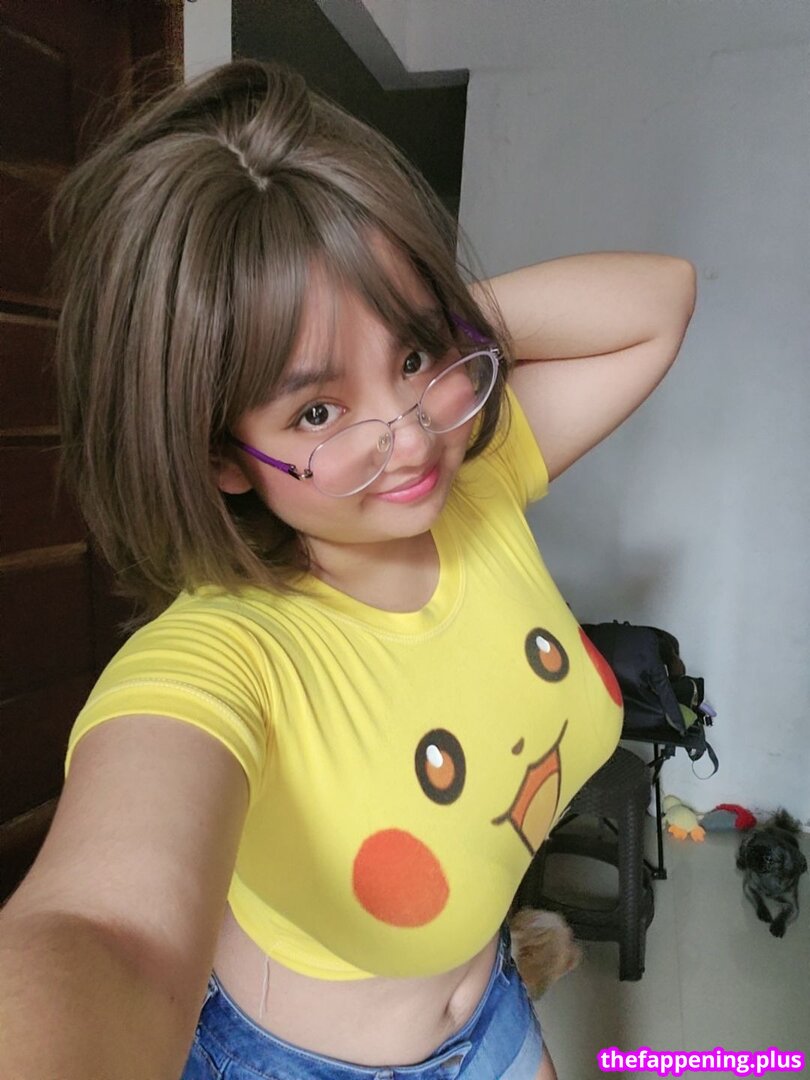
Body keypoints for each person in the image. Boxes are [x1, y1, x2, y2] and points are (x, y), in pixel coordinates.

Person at [0, 60, 696, 1080]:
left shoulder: (475, 484)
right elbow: (107, 934)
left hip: (491, 1012)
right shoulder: (222, 652)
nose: (409, 438)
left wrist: (403, 316)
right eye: (318, 410)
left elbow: (660, 301)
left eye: (414, 360)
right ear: (221, 454)